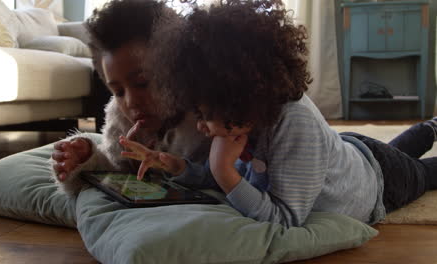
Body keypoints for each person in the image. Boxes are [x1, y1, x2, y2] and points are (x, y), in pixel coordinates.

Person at [119, 0, 437, 228]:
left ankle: (431, 128)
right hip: (354, 155)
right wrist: (175, 165)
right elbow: (235, 182)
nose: (200, 126)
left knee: (422, 174)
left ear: (235, 98)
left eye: (204, 114)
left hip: (381, 183)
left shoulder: (292, 122)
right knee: (397, 151)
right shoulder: (242, 120)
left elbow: (285, 219)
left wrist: (224, 172)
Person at [50, 0, 210, 195]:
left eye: (142, 83)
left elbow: (221, 181)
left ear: (178, 71)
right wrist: (84, 159)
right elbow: (114, 167)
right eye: (118, 92)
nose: (131, 102)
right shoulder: (121, 121)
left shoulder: (210, 120)